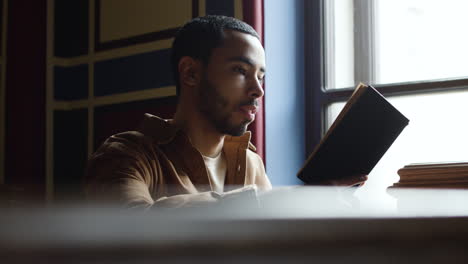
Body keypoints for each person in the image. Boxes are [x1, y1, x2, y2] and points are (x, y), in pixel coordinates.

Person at [85, 15, 366, 209]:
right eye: (240, 71)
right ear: (191, 72)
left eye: (261, 76)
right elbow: (132, 230)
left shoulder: (250, 162)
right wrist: (289, 201)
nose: (258, 91)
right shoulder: (126, 155)